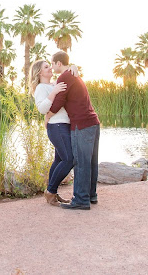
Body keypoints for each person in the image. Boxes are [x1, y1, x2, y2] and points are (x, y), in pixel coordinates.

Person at [48, 50, 100, 210]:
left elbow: (57, 103)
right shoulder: (74, 75)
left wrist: (47, 116)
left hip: (82, 124)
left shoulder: (64, 77)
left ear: (58, 63)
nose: (51, 67)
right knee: (91, 162)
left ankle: (81, 200)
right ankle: (91, 195)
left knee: (81, 162)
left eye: (52, 63)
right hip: (93, 122)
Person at [30, 60, 72, 206]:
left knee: (59, 160)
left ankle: (52, 193)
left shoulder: (54, 84)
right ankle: (51, 191)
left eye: (49, 66)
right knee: (69, 159)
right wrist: (53, 92)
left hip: (64, 125)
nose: (50, 69)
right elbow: (42, 109)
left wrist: (73, 67)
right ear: (39, 72)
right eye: (46, 67)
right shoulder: (41, 88)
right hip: (56, 126)